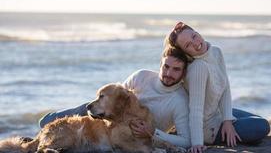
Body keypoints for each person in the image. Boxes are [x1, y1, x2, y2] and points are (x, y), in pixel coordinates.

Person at [39, 47, 191, 148]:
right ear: (160, 65)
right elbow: (113, 95)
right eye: (166, 66)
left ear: (183, 73)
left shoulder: (179, 101)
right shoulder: (142, 75)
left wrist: (152, 132)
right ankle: (46, 126)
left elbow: (186, 141)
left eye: (176, 69)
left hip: (129, 134)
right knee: (47, 122)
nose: (169, 73)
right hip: (105, 115)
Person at [165, 22, 270, 153]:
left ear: (197, 32)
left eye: (194, 36)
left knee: (258, 120)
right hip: (207, 127)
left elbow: (225, 88)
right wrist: (197, 143)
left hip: (217, 113)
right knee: (262, 126)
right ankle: (218, 136)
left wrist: (227, 120)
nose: (195, 43)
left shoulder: (216, 52)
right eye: (188, 45)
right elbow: (196, 110)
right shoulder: (198, 68)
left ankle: (237, 131)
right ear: (186, 53)